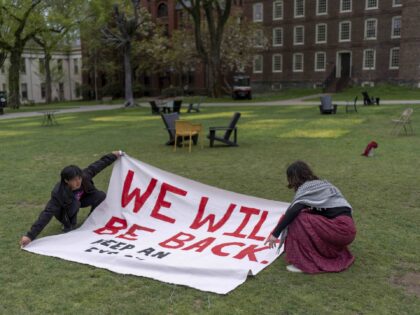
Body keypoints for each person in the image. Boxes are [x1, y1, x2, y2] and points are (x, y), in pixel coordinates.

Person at [265, 161, 356, 273]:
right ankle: (321, 254)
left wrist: (275, 234)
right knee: (305, 213)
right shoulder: (322, 184)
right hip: (348, 230)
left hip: (339, 229)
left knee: (298, 218)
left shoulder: (307, 188)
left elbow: (294, 210)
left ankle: (303, 263)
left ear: (293, 178)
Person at [20, 151, 123, 247]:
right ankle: (68, 224)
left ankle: (92, 218)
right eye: (74, 180)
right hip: (65, 210)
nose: (78, 182)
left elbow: (99, 164)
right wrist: (30, 236)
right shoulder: (59, 193)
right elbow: (47, 213)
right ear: (66, 181)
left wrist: (113, 155)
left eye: (79, 178)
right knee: (75, 204)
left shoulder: (85, 176)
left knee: (100, 195)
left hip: (80, 200)